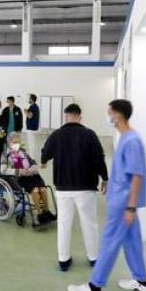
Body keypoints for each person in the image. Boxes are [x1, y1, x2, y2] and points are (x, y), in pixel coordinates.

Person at [68, 99, 146, 291]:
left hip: (123, 204)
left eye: (110, 113)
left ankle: (94, 287)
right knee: (132, 241)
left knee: (110, 243)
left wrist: (130, 207)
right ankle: (141, 280)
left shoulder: (131, 141)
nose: (108, 116)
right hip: (122, 200)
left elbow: (137, 175)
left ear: (117, 115)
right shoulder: (126, 138)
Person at [41, 103, 109, 272]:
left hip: (63, 188)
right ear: (80, 117)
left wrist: (43, 162)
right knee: (89, 223)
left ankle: (63, 260)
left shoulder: (57, 135)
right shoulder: (89, 134)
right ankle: (93, 258)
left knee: (64, 224)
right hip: (86, 188)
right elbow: (99, 158)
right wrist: (105, 178)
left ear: (66, 117)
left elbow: (45, 153)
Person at [5, 134, 55, 224]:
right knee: (35, 190)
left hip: (32, 175)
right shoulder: (8, 155)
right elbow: (5, 170)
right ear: (9, 143)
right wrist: (19, 171)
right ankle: (40, 215)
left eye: (18, 142)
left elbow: (34, 163)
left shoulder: (23, 152)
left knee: (43, 189)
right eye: (14, 142)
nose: (16, 144)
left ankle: (46, 212)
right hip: (20, 179)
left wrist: (31, 169)